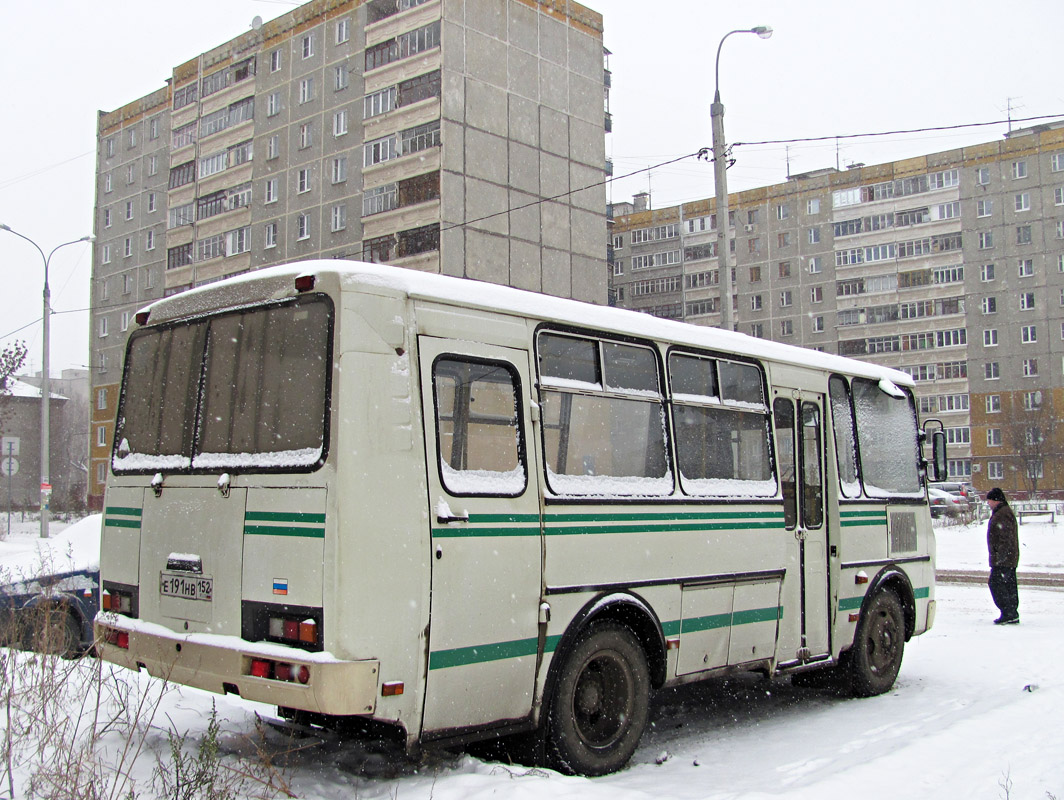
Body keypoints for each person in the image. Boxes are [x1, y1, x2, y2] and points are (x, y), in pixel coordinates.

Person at [985, 487, 1019, 625]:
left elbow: (1005, 538)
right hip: (1006, 558)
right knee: (1008, 585)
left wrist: (1000, 558)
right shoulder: (1002, 512)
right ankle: (1011, 612)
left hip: (1004, 559)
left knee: (997, 584)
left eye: (989, 500)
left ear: (996, 500)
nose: (988, 503)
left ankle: (1008, 612)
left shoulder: (1002, 514)